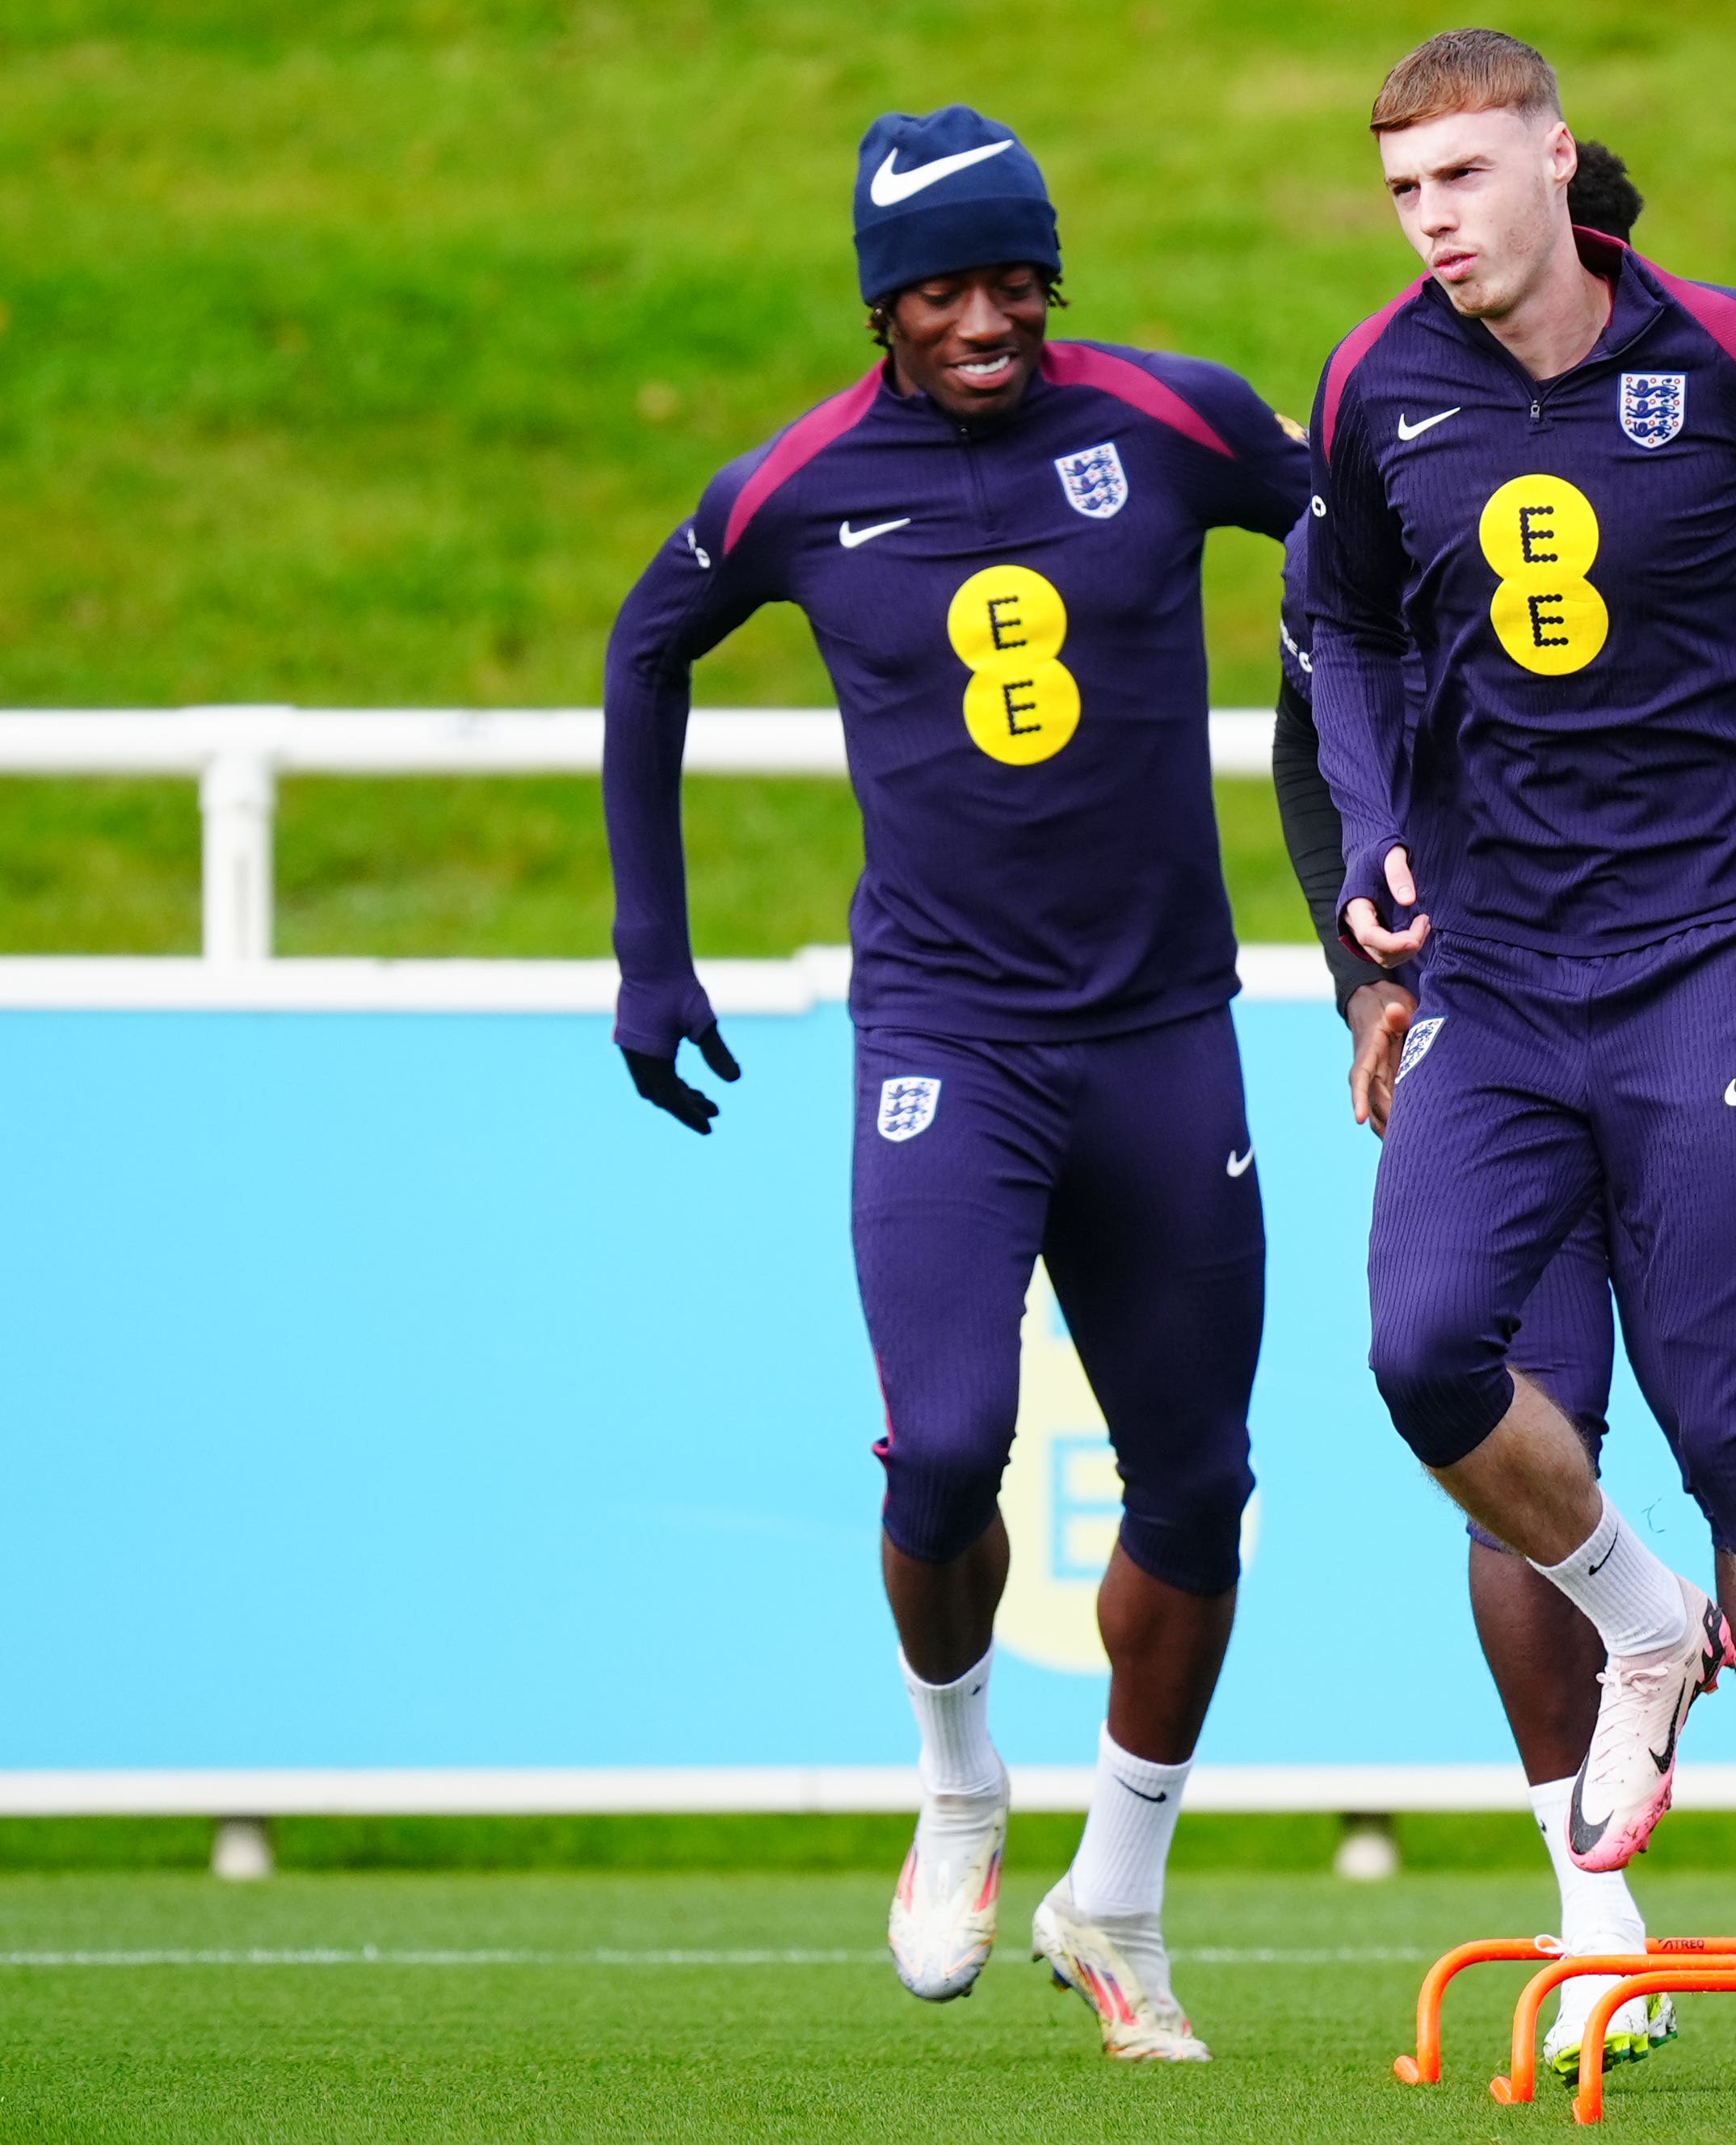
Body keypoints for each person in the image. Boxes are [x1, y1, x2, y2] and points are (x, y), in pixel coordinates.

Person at [1305, 32, 1736, 2122]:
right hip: (1497, 984)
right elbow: (1328, 625)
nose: (1433, 222)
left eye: (1462, 179)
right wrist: (1364, 859)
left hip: (1703, 968)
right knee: (1420, 1354)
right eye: (1402, 189)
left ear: (1552, 165)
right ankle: (1637, 1621)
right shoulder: (1368, 386)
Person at [601, 103, 1309, 2063]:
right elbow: (646, 650)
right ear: (879, 302)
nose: (985, 315)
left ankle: (1123, 1902)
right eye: (942, 285)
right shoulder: (803, 486)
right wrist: (648, 947)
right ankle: (960, 1778)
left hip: (1165, 1028)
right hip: (947, 1039)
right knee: (940, 1443)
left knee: (1203, 1479)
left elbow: (1371, 534)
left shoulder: (1170, 421)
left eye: (1014, 277)